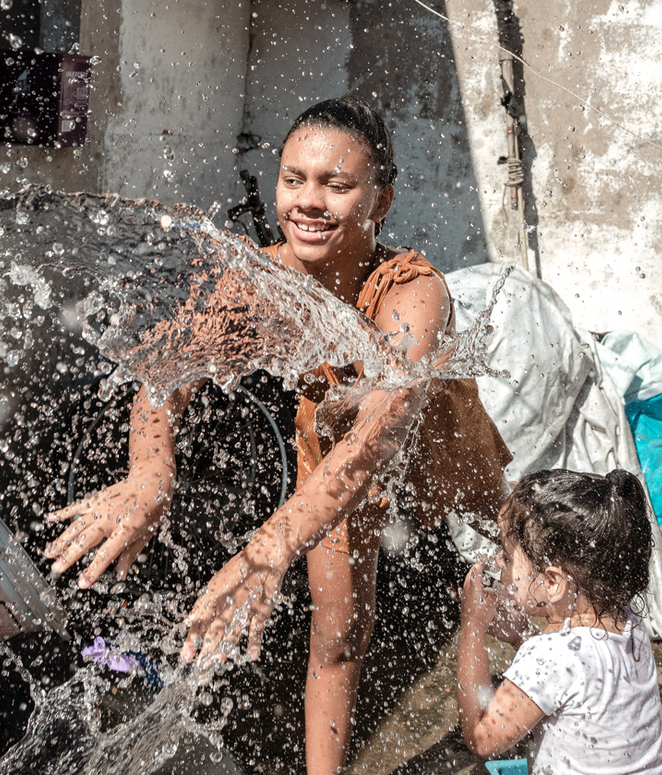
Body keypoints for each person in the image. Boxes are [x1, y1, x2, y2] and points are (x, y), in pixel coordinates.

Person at [45, 96, 511, 775]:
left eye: (337, 184)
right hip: (329, 436)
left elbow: (380, 440)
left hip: (436, 430)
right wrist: (150, 474)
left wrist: (267, 547)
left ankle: (572, 670)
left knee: (510, 543)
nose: (307, 202)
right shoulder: (259, 281)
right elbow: (165, 374)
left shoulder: (412, 291)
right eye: (293, 179)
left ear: (381, 199)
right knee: (341, 625)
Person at [456, 469, 662, 775]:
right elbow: (576, 673)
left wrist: (471, 629)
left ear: (553, 582)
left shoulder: (548, 656)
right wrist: (522, 636)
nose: (499, 562)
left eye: (507, 554)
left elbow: (482, 738)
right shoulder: (628, 620)